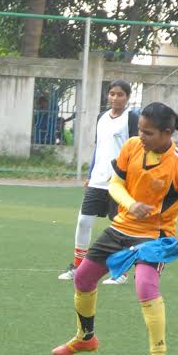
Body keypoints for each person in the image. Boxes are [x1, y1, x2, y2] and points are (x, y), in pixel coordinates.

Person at [51, 102, 178, 355]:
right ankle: (86, 338)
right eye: (139, 130)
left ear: (166, 133)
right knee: (84, 278)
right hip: (120, 228)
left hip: (154, 236)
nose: (141, 136)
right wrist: (130, 204)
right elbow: (114, 184)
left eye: (148, 132)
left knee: (145, 286)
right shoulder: (133, 147)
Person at [58, 79, 139, 284]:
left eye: (120, 94)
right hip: (97, 181)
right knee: (83, 221)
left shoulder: (132, 119)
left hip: (120, 183)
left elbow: (137, 152)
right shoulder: (101, 117)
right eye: (112, 94)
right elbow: (99, 148)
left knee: (119, 227)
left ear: (127, 97)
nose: (115, 98)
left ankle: (121, 272)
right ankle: (78, 265)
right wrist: (90, 173)